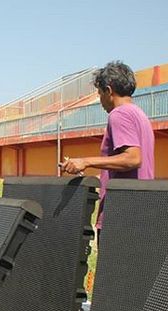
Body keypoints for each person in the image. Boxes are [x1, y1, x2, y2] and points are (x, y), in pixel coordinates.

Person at [61, 61, 154, 237]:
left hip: (121, 214)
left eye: (100, 94)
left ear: (109, 91)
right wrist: (101, 176)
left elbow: (133, 159)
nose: (100, 101)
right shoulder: (139, 115)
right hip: (141, 211)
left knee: (110, 265)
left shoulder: (119, 114)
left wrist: (86, 161)